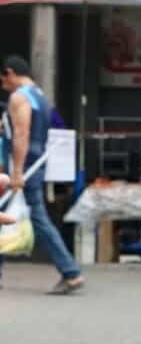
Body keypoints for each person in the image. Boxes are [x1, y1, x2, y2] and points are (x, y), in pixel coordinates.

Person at [0, 56, 84, 294]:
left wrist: (16, 172)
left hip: (24, 168)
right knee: (7, 215)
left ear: (9, 73)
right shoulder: (39, 96)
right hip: (34, 164)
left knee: (38, 219)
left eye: (2, 79)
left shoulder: (20, 97)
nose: (3, 84)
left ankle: (71, 272)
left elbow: (22, 134)